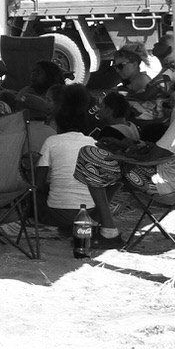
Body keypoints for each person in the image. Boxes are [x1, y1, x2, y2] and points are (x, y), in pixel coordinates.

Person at [38, 85, 120, 243]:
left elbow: (38, 184)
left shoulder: (51, 142)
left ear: (57, 119)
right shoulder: (93, 143)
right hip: (90, 214)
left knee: (34, 192)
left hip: (56, 215)